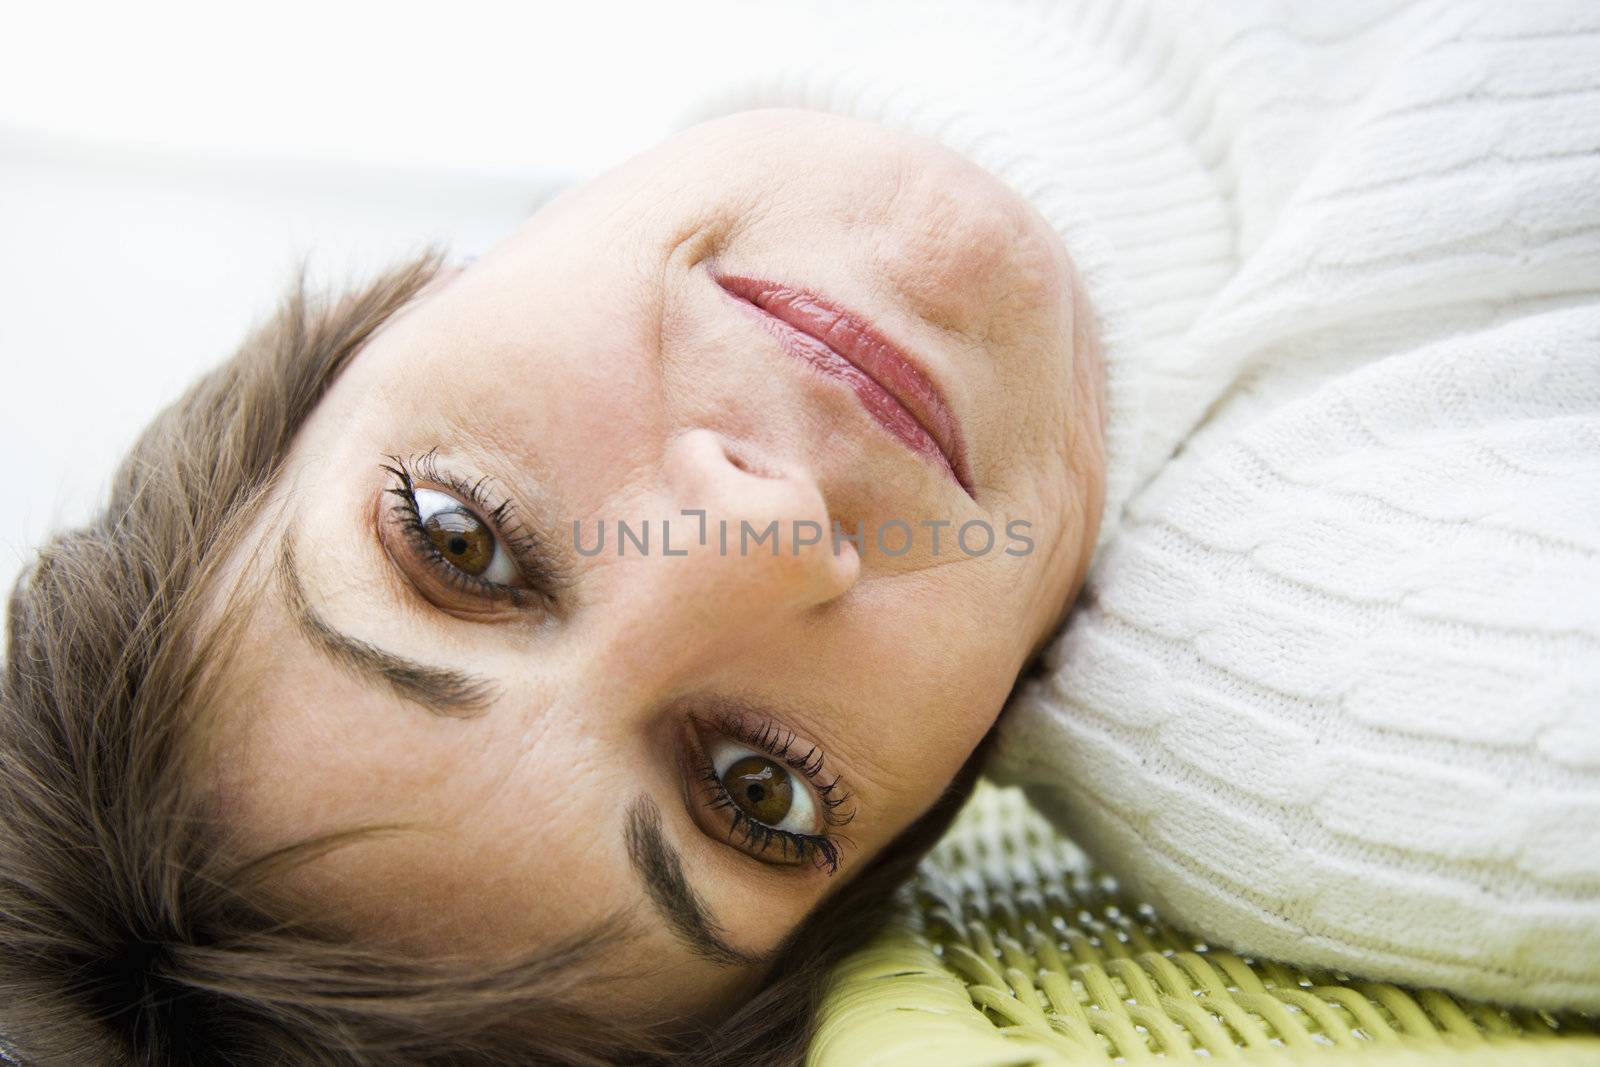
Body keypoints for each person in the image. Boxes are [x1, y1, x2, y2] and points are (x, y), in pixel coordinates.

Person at [4, 2, 1598, 1065]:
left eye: (461, 541)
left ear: (346, 350)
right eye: (754, 790)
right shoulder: (1341, 685)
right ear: (921, 811)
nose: (753, 534)